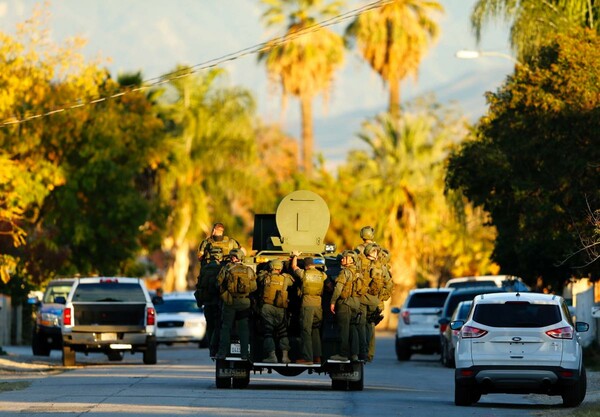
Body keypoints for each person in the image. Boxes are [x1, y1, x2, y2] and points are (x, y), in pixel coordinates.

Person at [216, 248, 257, 360]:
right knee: (244, 329)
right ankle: (244, 354)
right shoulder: (248, 270)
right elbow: (254, 287)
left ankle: (222, 353)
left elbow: (218, 284)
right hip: (245, 302)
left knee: (226, 328)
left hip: (230, 302)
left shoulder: (227, 268)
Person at [291, 253, 327, 365]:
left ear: (306, 266)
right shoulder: (322, 275)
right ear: (313, 265)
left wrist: (295, 256)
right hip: (318, 306)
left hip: (308, 305)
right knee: (315, 330)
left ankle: (307, 358)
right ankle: (317, 357)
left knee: (306, 331)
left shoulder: (304, 274)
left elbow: (294, 267)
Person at [257, 259, 294, 363]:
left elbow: (258, 280)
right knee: (283, 332)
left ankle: (272, 356)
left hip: (267, 307)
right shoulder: (285, 278)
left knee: (268, 332)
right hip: (280, 308)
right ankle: (285, 357)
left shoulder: (265, 277)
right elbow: (293, 283)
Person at [329, 250, 362, 362]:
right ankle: (354, 355)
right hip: (355, 303)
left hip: (345, 304)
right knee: (353, 329)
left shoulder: (345, 272)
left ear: (351, 260)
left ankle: (343, 354)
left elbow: (338, 289)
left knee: (344, 330)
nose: (342, 259)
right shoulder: (358, 272)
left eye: (345, 258)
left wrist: (332, 302)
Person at [194, 247, 224, 356]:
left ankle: (211, 348)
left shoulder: (204, 269)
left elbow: (199, 285)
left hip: (207, 303)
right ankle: (216, 346)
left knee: (210, 326)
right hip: (218, 303)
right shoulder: (222, 268)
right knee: (218, 326)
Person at [358, 243, 384, 361]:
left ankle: (362, 351)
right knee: (370, 327)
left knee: (361, 326)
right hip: (375, 300)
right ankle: (369, 353)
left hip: (362, 299)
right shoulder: (380, 266)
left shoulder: (361, 264)